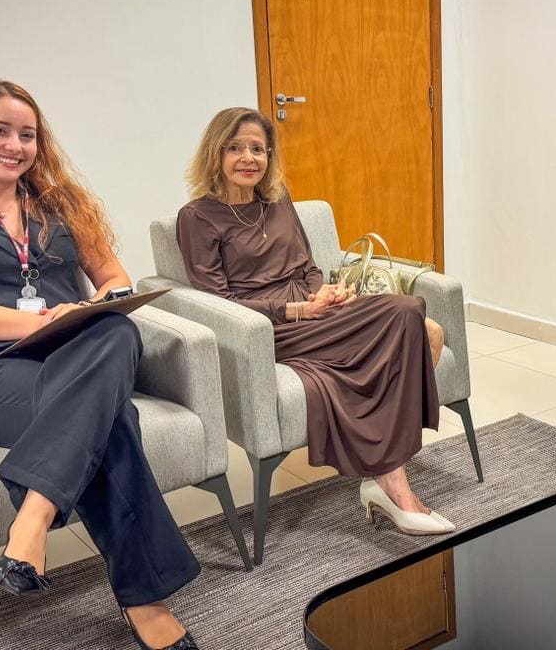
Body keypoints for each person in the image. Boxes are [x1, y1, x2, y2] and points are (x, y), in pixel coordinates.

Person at [0, 81, 200, 650]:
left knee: (116, 327)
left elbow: (114, 279)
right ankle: (147, 604)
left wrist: (85, 310)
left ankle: (32, 518)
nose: (14, 146)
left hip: (76, 361)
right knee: (112, 420)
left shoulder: (60, 205)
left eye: (27, 135)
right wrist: (43, 322)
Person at [176, 107, 454, 536]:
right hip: (269, 329)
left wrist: (324, 293)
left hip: (316, 312)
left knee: (426, 327)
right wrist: (296, 310)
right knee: (406, 313)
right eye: (235, 148)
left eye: (258, 149)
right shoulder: (197, 217)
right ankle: (393, 486)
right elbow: (219, 302)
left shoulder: (278, 199)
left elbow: (307, 266)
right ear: (216, 153)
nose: (248, 158)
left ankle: (384, 475)